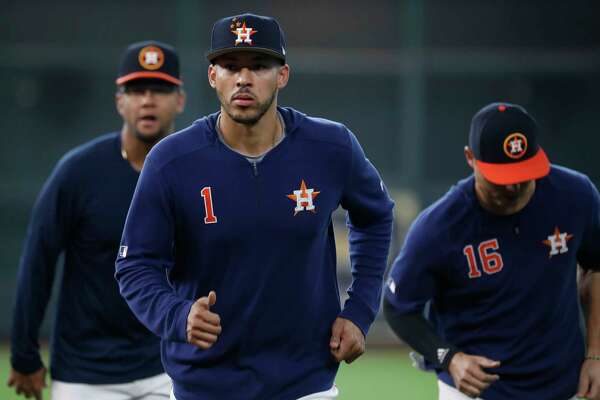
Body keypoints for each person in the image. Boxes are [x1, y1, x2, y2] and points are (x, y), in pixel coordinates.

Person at [115, 12, 394, 400]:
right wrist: (177, 316)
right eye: (230, 66)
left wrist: (360, 311)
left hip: (306, 383)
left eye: (259, 66)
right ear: (213, 76)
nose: (243, 78)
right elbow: (135, 265)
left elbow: (376, 215)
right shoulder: (172, 161)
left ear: (282, 75)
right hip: (205, 385)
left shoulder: (331, 148)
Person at [383, 102, 600, 400]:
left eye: (524, 175)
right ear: (470, 158)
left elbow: (594, 267)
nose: (514, 189)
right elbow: (398, 307)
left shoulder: (576, 196)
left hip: (563, 384)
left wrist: (595, 355)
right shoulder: (440, 227)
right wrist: (449, 358)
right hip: (474, 391)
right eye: (503, 179)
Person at [8, 40, 186, 399]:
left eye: (160, 89)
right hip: (85, 373)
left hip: (169, 365)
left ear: (179, 100)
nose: (148, 100)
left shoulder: (194, 171)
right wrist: (25, 354)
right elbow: (38, 261)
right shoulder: (78, 172)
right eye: (136, 90)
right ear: (119, 100)